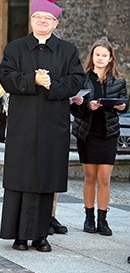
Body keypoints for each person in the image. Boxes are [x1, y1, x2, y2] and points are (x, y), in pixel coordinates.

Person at [0, 0, 84, 252]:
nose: (43, 21)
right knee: (20, 177)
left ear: (56, 23)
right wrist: (32, 80)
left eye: (48, 18)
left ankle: (41, 235)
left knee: (45, 178)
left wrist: (53, 84)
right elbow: (5, 77)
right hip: (23, 124)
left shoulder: (68, 51)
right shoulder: (15, 48)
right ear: (31, 20)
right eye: (38, 17)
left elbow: (78, 80)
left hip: (52, 125)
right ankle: (19, 236)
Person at [71, 39, 127, 236]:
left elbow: (125, 103)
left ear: (110, 59)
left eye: (104, 55)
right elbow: (74, 107)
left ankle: (103, 219)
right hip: (87, 133)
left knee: (104, 177)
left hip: (108, 133)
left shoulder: (119, 80)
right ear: (92, 57)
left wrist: (122, 106)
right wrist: (87, 105)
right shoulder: (82, 78)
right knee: (90, 177)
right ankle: (89, 217)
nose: (100, 58)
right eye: (97, 55)